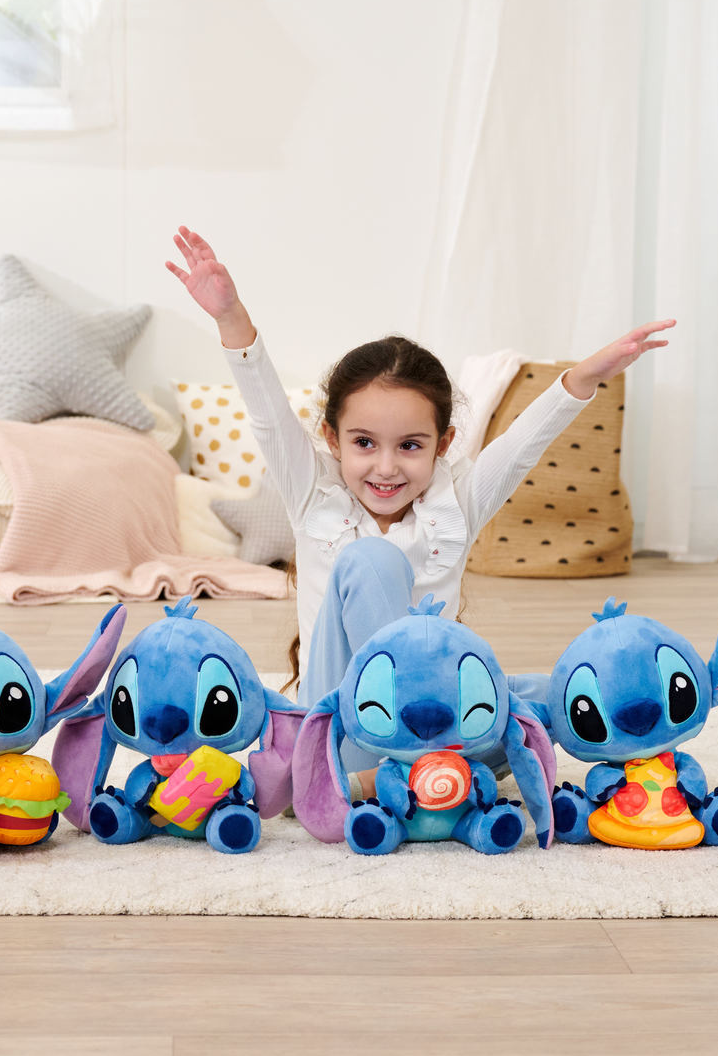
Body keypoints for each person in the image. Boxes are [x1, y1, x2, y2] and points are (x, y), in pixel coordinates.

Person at [165, 225, 672, 715]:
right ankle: (388, 746)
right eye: (364, 443)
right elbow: (269, 415)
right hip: (341, 727)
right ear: (333, 440)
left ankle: (440, 746)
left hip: (432, 718)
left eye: (409, 445)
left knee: (547, 694)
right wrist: (231, 317)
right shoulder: (312, 492)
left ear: (442, 445)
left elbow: (520, 447)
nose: (386, 467)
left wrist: (583, 378)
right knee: (371, 561)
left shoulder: (458, 502)